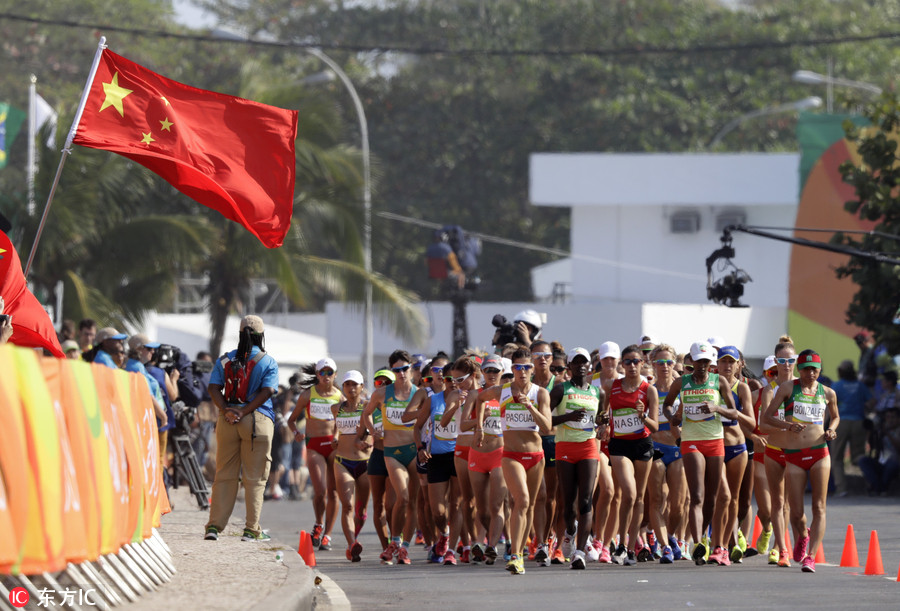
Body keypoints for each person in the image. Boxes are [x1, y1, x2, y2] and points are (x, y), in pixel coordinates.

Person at [475, 348, 552, 575]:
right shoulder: (502, 391)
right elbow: (480, 398)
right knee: (522, 499)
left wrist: (529, 406)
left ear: (532, 369)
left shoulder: (540, 394)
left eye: (527, 367)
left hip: (536, 456)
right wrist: (479, 428)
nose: (522, 372)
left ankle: (520, 552)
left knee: (527, 506)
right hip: (511, 455)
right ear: (512, 369)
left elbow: (547, 427)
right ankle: (516, 555)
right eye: (518, 367)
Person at [662, 341, 740, 566]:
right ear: (692, 361)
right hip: (692, 441)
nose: (703, 365)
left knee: (712, 499)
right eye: (699, 361)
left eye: (707, 362)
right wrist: (673, 418)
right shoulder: (681, 382)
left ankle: (703, 536)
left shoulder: (720, 381)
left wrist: (716, 408)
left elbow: (734, 412)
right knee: (697, 494)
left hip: (715, 442)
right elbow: (667, 406)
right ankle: (697, 544)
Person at [763, 350, 839, 573]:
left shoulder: (828, 393)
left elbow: (835, 416)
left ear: (820, 370)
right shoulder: (788, 389)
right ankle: (803, 535)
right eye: (806, 369)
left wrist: (831, 430)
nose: (811, 373)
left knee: (819, 506)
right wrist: (787, 426)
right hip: (794, 456)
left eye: (815, 369)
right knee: (796, 513)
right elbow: (767, 417)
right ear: (799, 370)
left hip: (819, 453)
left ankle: (811, 556)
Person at [204, 315, 279, 542]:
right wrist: (244, 412)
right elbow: (267, 391)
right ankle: (250, 529)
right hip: (256, 421)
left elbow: (213, 388)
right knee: (255, 477)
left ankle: (214, 527)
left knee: (224, 474)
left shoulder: (225, 360)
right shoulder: (267, 361)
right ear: (261, 335)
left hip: (227, 422)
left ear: (240, 334)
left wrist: (228, 409)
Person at [599, 344, 659, 566]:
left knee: (640, 497)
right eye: (628, 362)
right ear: (622, 364)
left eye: (636, 361)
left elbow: (654, 426)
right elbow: (603, 415)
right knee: (629, 494)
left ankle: (633, 546)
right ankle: (621, 543)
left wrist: (642, 415)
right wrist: (602, 424)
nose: (632, 365)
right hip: (619, 445)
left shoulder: (648, 389)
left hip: (642, 444)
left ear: (642, 363)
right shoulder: (612, 386)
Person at [362, 350, 420, 565]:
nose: (402, 373)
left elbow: (427, 419)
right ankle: (394, 541)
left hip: (413, 451)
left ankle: (404, 547)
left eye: (405, 369)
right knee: (402, 498)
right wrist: (372, 431)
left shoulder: (419, 393)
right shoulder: (382, 393)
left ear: (411, 369)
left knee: (412, 502)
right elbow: (366, 413)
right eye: (397, 370)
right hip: (392, 452)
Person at [549, 347, 603, 569]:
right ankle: (571, 532)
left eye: (585, 362)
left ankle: (579, 552)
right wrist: (567, 417)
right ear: (569, 366)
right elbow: (546, 421)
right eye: (576, 362)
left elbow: (600, 419)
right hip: (564, 447)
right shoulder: (561, 389)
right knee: (568, 505)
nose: (581, 365)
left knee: (586, 501)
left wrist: (604, 420)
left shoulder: (598, 393)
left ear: (589, 366)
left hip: (588, 447)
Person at [288, 357, 343, 551]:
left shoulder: (339, 397)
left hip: (333, 446)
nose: (326, 376)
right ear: (317, 375)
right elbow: (291, 420)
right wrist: (296, 433)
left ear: (335, 375)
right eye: (322, 372)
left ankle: (327, 535)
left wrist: (338, 435)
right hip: (314, 445)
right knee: (320, 490)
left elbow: (343, 421)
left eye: (330, 373)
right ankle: (318, 525)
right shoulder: (307, 395)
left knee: (333, 491)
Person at [758, 336, 798, 567]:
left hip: (795, 450)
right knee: (778, 501)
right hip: (773, 448)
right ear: (775, 361)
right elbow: (764, 425)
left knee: (792, 504)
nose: (786, 365)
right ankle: (781, 548)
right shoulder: (769, 390)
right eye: (782, 360)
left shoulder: (802, 387)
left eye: (790, 360)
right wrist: (787, 425)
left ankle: (791, 540)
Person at [715, 346, 756, 564]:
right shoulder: (709, 385)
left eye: (732, 362)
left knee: (734, 499)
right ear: (717, 364)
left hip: (737, 446)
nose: (728, 366)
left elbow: (751, 421)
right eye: (724, 361)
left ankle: (730, 544)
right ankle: (718, 544)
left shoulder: (742, 389)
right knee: (722, 496)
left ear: (739, 364)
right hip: (714, 446)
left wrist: (730, 411)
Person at [465, 355, 507, 564]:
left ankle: (491, 545)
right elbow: (462, 425)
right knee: (481, 507)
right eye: (488, 371)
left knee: (496, 503)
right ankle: (488, 539)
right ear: (482, 373)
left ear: (501, 373)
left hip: (500, 454)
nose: (491, 375)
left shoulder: (507, 394)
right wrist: (480, 420)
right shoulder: (475, 394)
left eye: (495, 371)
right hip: (477, 453)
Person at [648, 343, 686, 563]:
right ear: (653, 365)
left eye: (669, 362)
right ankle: (665, 547)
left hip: (678, 448)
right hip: (655, 448)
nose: (664, 367)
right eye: (660, 362)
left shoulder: (683, 388)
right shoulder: (648, 389)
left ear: (675, 364)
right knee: (657, 499)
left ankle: (669, 537)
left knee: (679, 505)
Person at [331, 370, 372, 562]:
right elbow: (336, 429)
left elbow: (374, 430)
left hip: (365, 462)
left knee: (361, 510)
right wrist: (335, 438)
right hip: (342, 462)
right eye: (347, 384)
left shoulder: (369, 407)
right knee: (347, 505)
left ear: (362, 387)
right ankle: (351, 544)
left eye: (355, 384)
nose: (351, 388)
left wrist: (367, 441)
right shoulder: (335, 408)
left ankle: (354, 540)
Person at [361, 368, 397, 552]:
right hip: (377, 456)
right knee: (378, 505)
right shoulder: (371, 405)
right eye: (378, 382)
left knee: (391, 506)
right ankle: (386, 548)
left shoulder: (399, 405)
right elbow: (360, 434)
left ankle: (396, 541)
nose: (382, 386)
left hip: (394, 455)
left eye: (387, 383)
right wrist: (366, 438)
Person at [830, 360, 874, 497]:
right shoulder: (860, 386)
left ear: (841, 371)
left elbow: (828, 402)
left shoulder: (837, 385)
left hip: (841, 422)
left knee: (837, 457)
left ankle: (841, 488)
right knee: (859, 457)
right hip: (858, 422)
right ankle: (869, 484)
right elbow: (872, 401)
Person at [858, 407, 900, 495]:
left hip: (895, 462)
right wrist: (872, 432)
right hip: (882, 462)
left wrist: (887, 433)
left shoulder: (897, 430)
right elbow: (872, 447)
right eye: (887, 417)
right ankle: (878, 487)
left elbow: (898, 447)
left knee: (892, 464)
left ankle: (882, 488)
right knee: (863, 460)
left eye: (893, 417)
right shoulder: (880, 431)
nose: (890, 420)